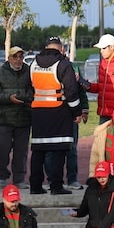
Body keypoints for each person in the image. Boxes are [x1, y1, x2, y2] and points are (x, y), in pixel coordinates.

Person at [29, 37, 83, 195]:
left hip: (38, 112)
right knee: (58, 150)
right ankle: (56, 186)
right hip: (59, 112)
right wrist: (77, 112)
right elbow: (71, 92)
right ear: (60, 49)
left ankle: (35, 186)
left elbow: (28, 88)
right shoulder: (63, 64)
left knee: (38, 151)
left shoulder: (33, 64)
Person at [0, 46, 34, 188]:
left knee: (21, 152)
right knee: (3, 149)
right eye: (15, 57)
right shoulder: (0, 72)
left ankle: (19, 179)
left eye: (20, 57)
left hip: (24, 118)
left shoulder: (29, 71)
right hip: (5, 120)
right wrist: (9, 98)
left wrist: (24, 99)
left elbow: (34, 91)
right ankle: (2, 176)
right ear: (9, 58)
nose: (18, 60)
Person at [85, 32, 114, 122]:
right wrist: (88, 86)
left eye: (103, 48)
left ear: (111, 47)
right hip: (104, 112)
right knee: (101, 136)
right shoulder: (103, 63)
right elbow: (102, 87)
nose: (101, 51)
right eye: (100, 48)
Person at [64, 59, 91, 190]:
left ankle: (72, 179)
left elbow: (81, 90)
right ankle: (54, 181)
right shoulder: (47, 67)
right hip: (54, 115)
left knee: (72, 148)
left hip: (72, 115)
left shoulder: (74, 67)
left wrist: (84, 110)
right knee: (53, 149)